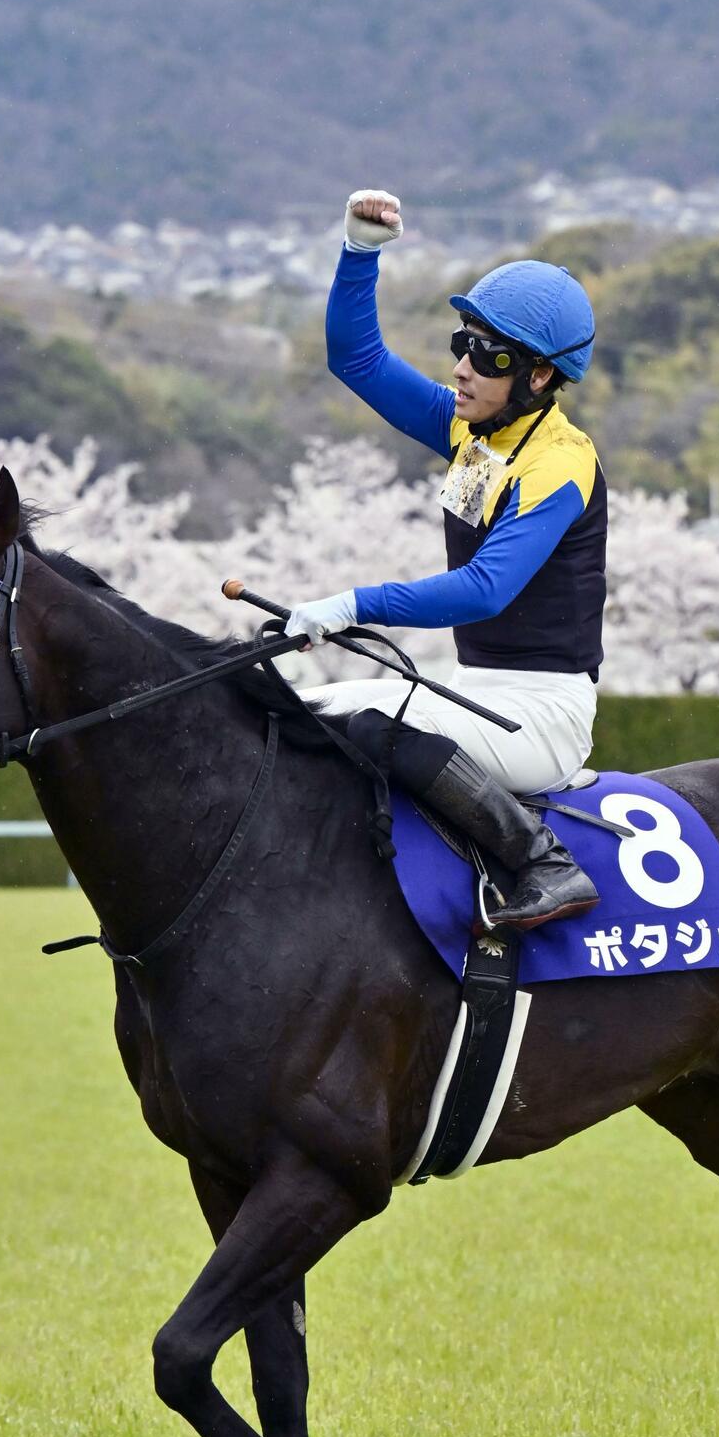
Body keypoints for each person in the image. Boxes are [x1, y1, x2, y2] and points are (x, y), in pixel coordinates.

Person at [288, 188, 608, 931]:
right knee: (299, 710)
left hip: (543, 715)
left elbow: (487, 589)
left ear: (538, 377)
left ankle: (545, 865)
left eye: (488, 354)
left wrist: (356, 605)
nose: (464, 368)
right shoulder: (475, 435)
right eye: (461, 342)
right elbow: (356, 357)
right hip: (476, 692)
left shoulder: (560, 464)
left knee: (371, 724)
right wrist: (360, 253)